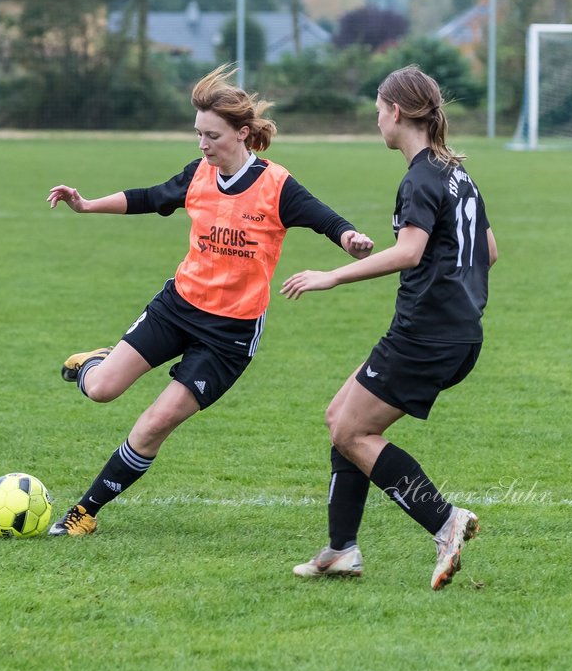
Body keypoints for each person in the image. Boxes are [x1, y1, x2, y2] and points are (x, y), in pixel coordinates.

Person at [45, 64, 374, 537]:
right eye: (198, 133)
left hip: (228, 335)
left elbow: (324, 218)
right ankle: (98, 363)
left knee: (156, 421)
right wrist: (87, 203)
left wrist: (350, 239)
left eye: (212, 135)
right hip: (178, 306)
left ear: (242, 134)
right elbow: (151, 197)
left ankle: (85, 512)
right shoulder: (198, 174)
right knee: (100, 390)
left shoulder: (276, 185)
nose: (202, 144)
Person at [280, 65, 498, 590]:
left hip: (426, 335)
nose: (376, 119)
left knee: (353, 431)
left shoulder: (421, 175)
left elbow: (409, 251)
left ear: (396, 112)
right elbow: (488, 252)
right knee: (341, 417)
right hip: (457, 331)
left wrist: (332, 275)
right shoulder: (457, 173)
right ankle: (341, 550)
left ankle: (443, 521)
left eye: (378, 110)